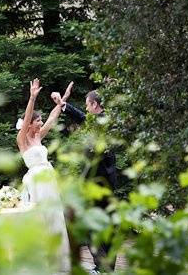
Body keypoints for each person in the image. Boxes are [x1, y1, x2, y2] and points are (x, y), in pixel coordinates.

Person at [51, 85, 121, 273]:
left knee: (93, 225)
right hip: (105, 182)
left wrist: (64, 104)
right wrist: (63, 104)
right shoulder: (104, 120)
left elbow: (83, 118)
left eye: (88, 105)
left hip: (98, 183)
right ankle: (106, 268)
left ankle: (102, 267)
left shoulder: (102, 121)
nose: (87, 109)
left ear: (95, 104)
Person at [16, 78, 72, 273]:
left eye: (40, 121)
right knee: (39, 217)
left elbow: (52, 118)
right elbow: (28, 116)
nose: (40, 123)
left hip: (48, 180)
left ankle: (57, 260)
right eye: (37, 121)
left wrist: (63, 100)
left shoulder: (39, 135)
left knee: (53, 215)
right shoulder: (22, 139)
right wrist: (32, 98)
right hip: (36, 183)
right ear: (29, 124)